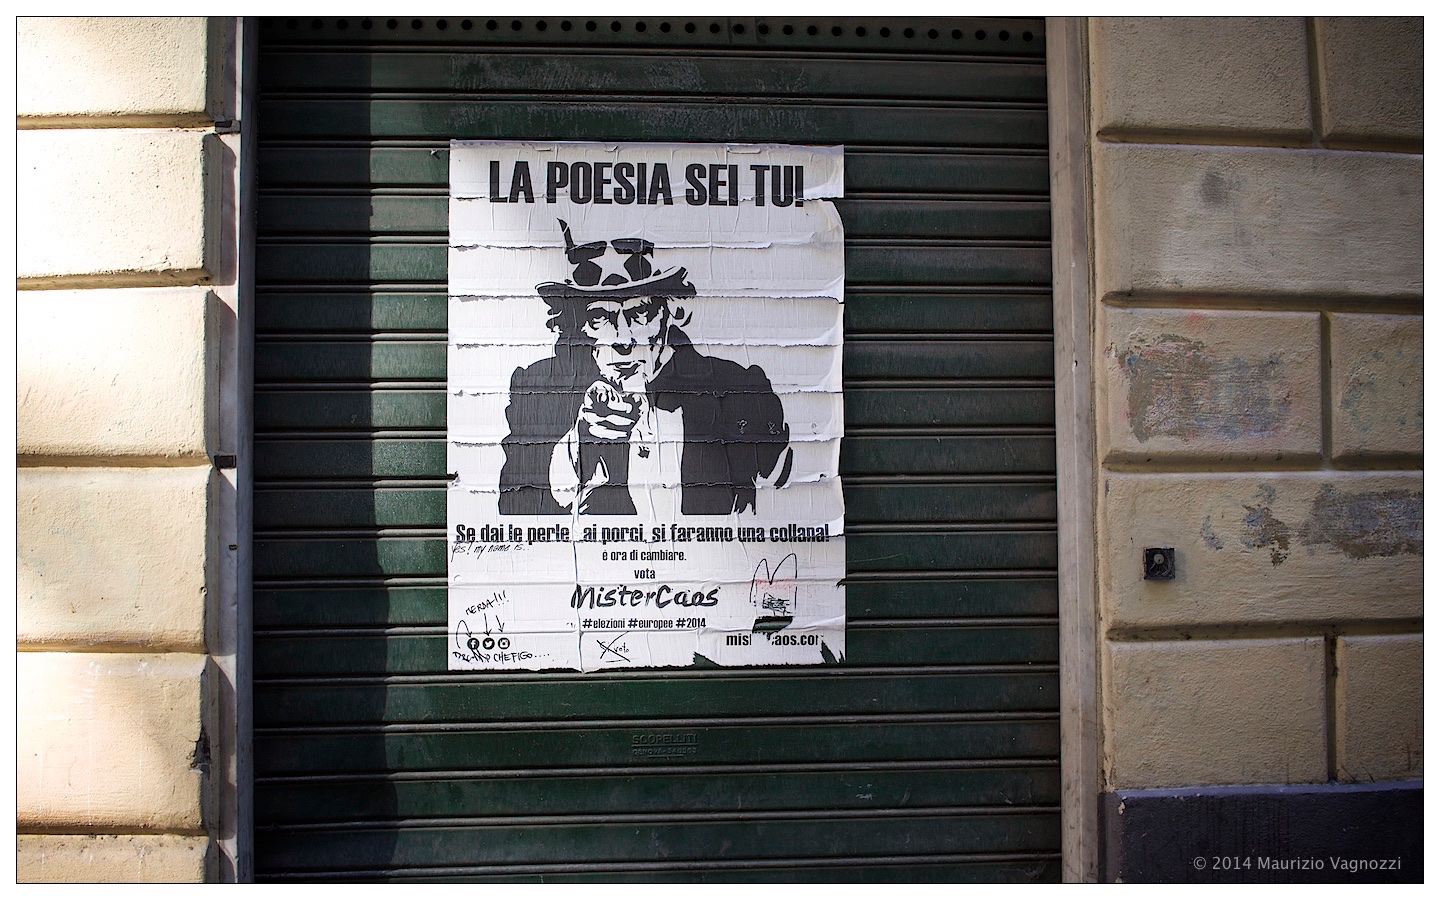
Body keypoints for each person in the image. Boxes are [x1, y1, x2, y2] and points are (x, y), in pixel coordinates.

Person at [499, 220, 792, 516]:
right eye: (601, 318)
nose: (623, 339)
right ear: (577, 328)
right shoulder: (536, 389)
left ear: (668, 314)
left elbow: (778, 499)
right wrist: (580, 440)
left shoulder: (740, 388)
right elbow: (516, 506)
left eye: (639, 313)